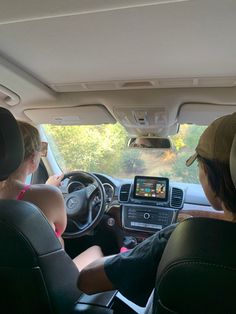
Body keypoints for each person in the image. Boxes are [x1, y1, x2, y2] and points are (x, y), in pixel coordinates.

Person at [78, 112, 236, 306]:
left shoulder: (182, 238)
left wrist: (129, 255)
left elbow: (86, 281)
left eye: (199, 165)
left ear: (209, 174)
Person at [0, 120, 103, 271]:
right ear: (34, 159)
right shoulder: (49, 196)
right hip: (46, 286)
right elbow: (60, 229)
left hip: (7, 287)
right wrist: (47, 190)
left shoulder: (45, 194)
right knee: (96, 251)